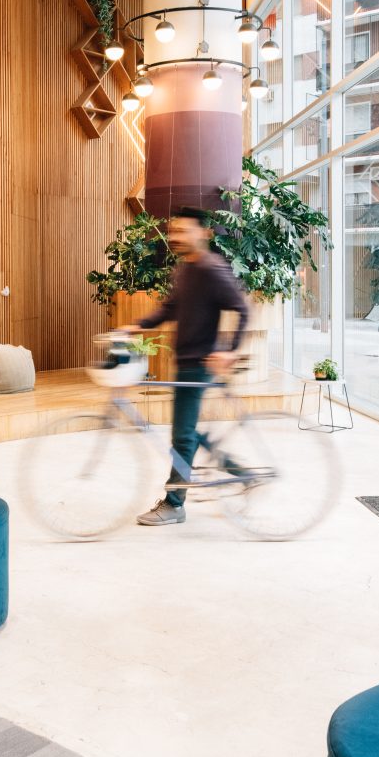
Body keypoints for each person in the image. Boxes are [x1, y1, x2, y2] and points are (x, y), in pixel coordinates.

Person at [121, 207, 249, 526]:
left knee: (182, 437)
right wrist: (135, 326)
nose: (176, 236)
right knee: (188, 433)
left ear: (202, 233)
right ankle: (241, 472)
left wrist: (229, 351)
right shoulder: (186, 270)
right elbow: (169, 309)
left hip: (199, 364)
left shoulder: (211, 268)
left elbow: (242, 309)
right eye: (174, 230)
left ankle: (175, 503)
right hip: (185, 363)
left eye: (183, 230)